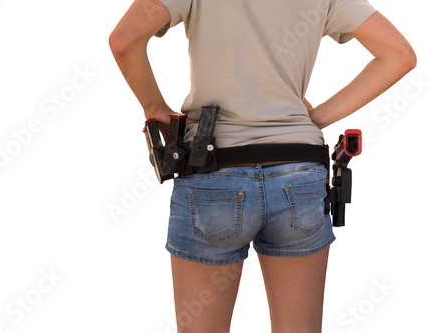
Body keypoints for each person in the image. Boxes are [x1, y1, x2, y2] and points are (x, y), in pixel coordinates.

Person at [109, 0, 416, 332]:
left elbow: (124, 41)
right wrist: (313, 119)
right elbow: (399, 55)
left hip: (214, 173)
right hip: (298, 173)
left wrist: (155, 108)